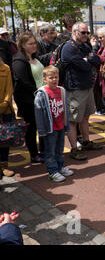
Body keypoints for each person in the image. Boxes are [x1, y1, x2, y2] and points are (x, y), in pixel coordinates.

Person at [60, 22, 103, 160]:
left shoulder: (85, 45)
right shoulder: (68, 48)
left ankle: (86, 141)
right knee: (73, 120)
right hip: (75, 88)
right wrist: (88, 60)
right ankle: (74, 148)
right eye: (83, 32)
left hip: (87, 85)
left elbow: (97, 60)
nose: (86, 35)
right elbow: (84, 66)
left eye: (87, 32)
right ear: (74, 32)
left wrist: (88, 59)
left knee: (85, 116)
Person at [34, 66, 74, 182]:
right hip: (49, 128)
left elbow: (65, 107)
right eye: (51, 78)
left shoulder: (61, 90)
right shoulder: (41, 93)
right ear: (45, 79)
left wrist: (66, 124)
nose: (54, 80)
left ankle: (60, 167)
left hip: (60, 125)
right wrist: (41, 130)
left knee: (59, 148)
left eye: (56, 77)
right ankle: (52, 171)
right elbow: (39, 112)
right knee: (50, 151)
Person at [12, 33, 44, 163]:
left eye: (34, 43)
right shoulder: (19, 60)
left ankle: (44, 150)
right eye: (30, 44)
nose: (34, 46)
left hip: (40, 96)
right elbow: (22, 80)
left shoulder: (34, 57)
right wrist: (37, 92)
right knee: (31, 128)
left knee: (42, 126)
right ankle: (34, 154)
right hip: (28, 100)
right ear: (23, 45)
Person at [0, 57, 14, 178]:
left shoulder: (6, 68)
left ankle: (4, 166)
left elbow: (9, 89)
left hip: (6, 109)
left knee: (5, 138)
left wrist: (5, 103)